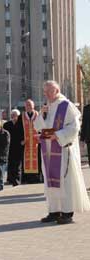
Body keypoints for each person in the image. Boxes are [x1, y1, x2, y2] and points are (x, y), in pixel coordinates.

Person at [34, 80, 90, 224]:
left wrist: (58, 136)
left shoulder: (66, 105)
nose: (45, 94)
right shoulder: (47, 107)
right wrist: (42, 115)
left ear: (56, 91)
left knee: (65, 182)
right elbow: (38, 126)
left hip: (63, 151)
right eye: (44, 91)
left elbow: (75, 127)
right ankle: (53, 211)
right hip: (48, 151)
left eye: (48, 91)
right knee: (50, 182)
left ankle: (66, 213)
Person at [20, 99, 42, 184]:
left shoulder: (38, 115)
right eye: (27, 105)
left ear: (33, 106)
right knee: (26, 161)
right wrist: (20, 140)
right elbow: (18, 131)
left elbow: (43, 127)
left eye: (30, 105)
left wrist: (41, 137)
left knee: (38, 160)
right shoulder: (21, 117)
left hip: (37, 143)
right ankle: (27, 179)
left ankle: (37, 178)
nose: (28, 107)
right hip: (26, 144)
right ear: (25, 107)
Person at [3, 109, 23, 186]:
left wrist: (23, 140)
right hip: (9, 147)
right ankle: (10, 179)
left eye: (15, 115)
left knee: (18, 164)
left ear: (18, 116)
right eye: (12, 115)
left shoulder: (21, 124)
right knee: (10, 164)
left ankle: (17, 180)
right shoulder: (6, 124)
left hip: (19, 146)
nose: (13, 117)